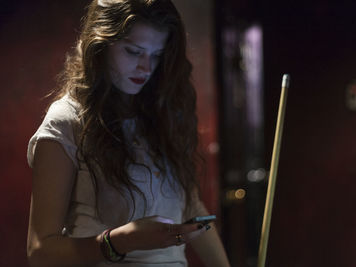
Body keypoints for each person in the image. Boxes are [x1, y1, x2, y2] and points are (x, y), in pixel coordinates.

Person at [26, 0, 230, 266]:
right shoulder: (67, 120)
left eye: (156, 55)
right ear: (100, 46)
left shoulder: (161, 113)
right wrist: (120, 241)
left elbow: (192, 208)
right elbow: (40, 252)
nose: (146, 67)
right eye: (134, 52)